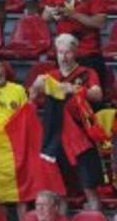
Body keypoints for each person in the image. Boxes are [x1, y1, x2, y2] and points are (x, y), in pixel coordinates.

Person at [30, 34, 104, 210]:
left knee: (89, 189)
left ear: (75, 52)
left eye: (68, 52)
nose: (63, 56)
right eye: (60, 52)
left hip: (82, 138)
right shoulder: (50, 76)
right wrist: (36, 85)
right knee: (58, 191)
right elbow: (32, 97)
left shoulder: (87, 73)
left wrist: (75, 89)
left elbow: (98, 94)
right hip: (55, 139)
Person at [42, 0, 106, 94]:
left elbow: (100, 22)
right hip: (64, 53)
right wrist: (53, 14)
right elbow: (45, 16)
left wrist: (74, 14)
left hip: (87, 53)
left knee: (89, 99)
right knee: (60, 98)